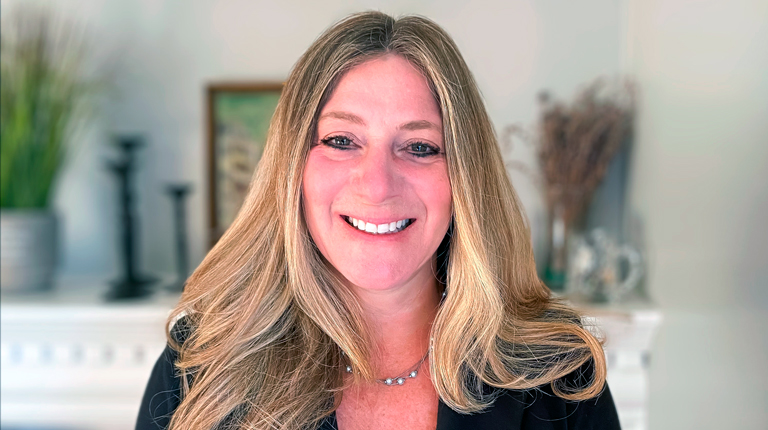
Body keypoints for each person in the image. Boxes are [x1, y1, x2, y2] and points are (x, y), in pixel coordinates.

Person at [136, 11, 620, 430]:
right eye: (342, 141)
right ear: (293, 169)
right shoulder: (200, 366)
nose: (377, 185)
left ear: (465, 180)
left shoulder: (560, 378)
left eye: (420, 147)